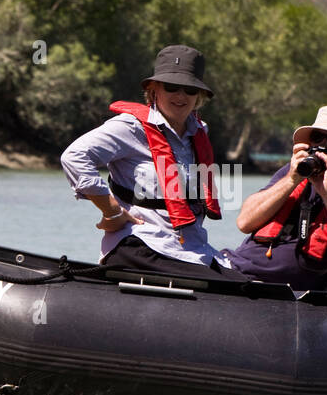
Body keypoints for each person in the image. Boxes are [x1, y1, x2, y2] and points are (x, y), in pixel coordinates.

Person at [61, 44, 248, 281]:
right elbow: (74, 157)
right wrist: (111, 210)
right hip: (141, 245)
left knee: (247, 285)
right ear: (153, 89)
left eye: (189, 90)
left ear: (198, 96)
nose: (180, 96)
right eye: (171, 87)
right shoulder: (130, 127)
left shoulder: (199, 132)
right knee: (227, 287)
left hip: (189, 249)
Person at [225, 105, 327, 291]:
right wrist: (292, 179)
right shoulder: (293, 173)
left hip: (280, 294)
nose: (325, 146)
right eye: (318, 138)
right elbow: (244, 222)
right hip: (234, 272)